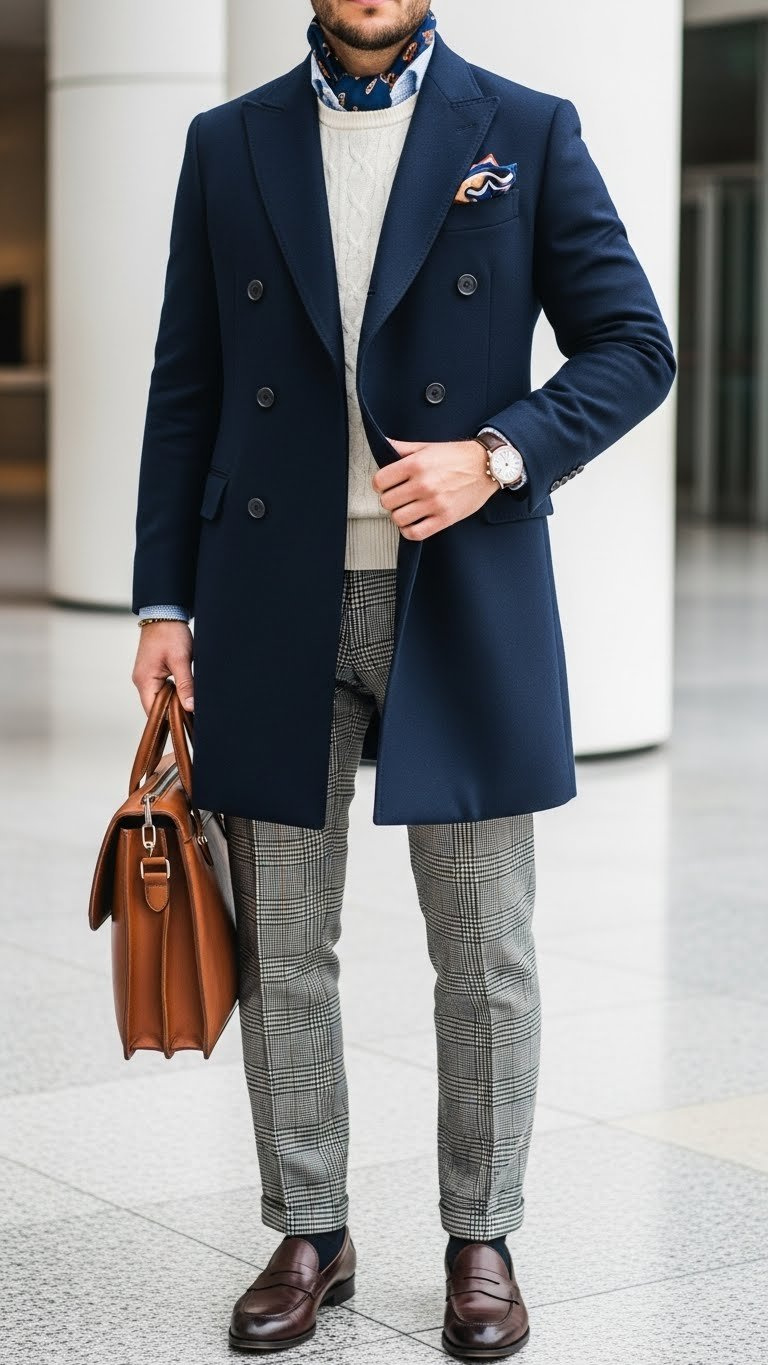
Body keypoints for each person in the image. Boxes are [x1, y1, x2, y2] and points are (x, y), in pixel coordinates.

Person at [130, 1, 676, 1356]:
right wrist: (161, 600)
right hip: (270, 599)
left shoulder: (525, 132)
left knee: (484, 943)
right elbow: (185, 384)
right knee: (285, 938)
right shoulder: (228, 141)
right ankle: (310, 1223)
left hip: (464, 595)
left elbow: (633, 345)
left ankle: (481, 1233)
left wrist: (494, 454)